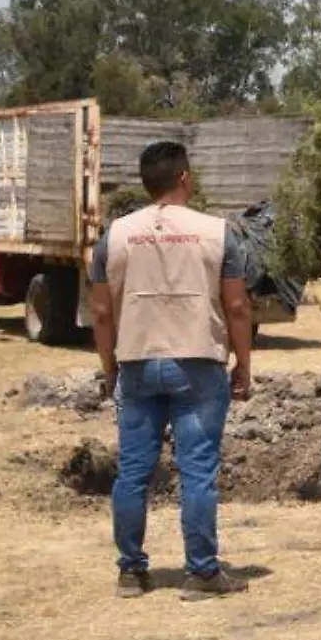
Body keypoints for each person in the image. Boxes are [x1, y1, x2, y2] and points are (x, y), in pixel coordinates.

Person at [90, 141, 255, 601]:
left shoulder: (116, 235)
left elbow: (101, 312)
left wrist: (110, 369)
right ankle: (201, 574)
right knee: (197, 472)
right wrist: (244, 361)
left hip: (137, 364)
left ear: (147, 183)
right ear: (185, 178)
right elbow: (237, 304)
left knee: (134, 473)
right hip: (199, 362)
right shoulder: (218, 233)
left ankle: (131, 572)